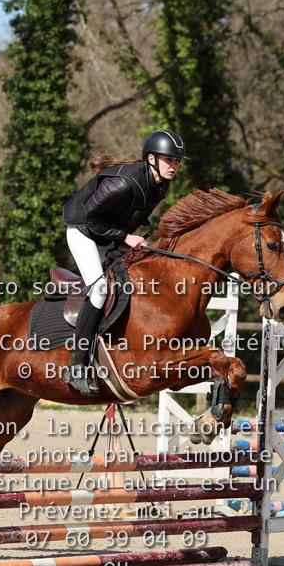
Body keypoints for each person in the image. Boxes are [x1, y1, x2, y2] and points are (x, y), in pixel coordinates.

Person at [60, 129, 188, 395]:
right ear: (151, 158)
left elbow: (129, 215)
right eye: (169, 160)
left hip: (107, 234)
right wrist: (125, 237)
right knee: (99, 289)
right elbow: (86, 218)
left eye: (176, 161)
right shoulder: (124, 183)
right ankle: (77, 366)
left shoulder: (160, 184)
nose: (174, 166)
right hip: (82, 231)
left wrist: (129, 239)